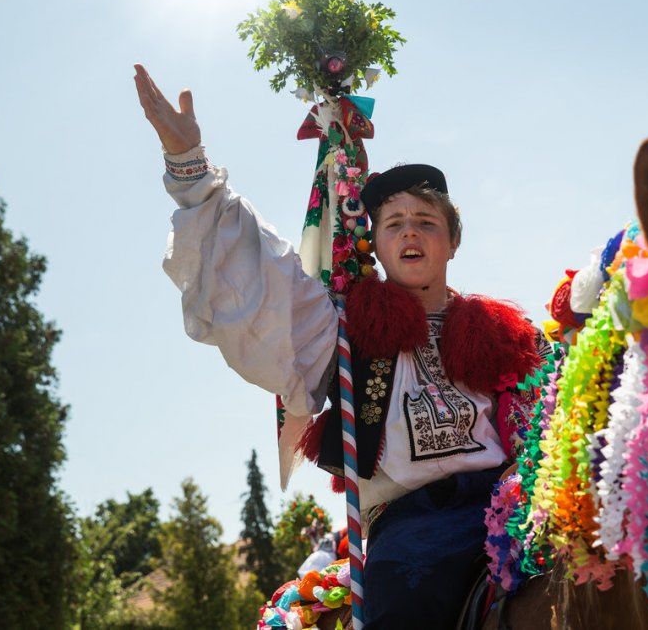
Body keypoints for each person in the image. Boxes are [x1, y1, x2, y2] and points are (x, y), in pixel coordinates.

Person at [133, 64, 549, 627]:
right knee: (402, 595)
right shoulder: (347, 332)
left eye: (426, 222)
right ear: (374, 245)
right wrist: (191, 167)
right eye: (394, 223)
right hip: (413, 531)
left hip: (515, 511)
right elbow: (264, 275)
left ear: (452, 241)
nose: (409, 232)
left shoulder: (510, 337)